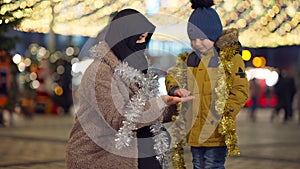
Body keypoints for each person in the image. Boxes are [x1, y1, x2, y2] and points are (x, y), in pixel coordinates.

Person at [65, 9, 194, 169]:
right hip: (99, 152)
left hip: (124, 147)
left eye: (146, 38)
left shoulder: (135, 69)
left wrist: (175, 102)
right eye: (139, 37)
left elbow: (148, 113)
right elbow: (120, 119)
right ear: (123, 37)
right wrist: (160, 103)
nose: (142, 43)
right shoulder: (100, 72)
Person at [165, 1, 249, 168]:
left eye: (202, 38)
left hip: (216, 130)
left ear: (214, 36)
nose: (198, 44)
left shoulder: (228, 59)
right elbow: (172, 76)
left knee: (212, 165)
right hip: (195, 129)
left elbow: (240, 89)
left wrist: (226, 113)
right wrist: (175, 89)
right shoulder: (190, 59)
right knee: (198, 164)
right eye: (193, 39)